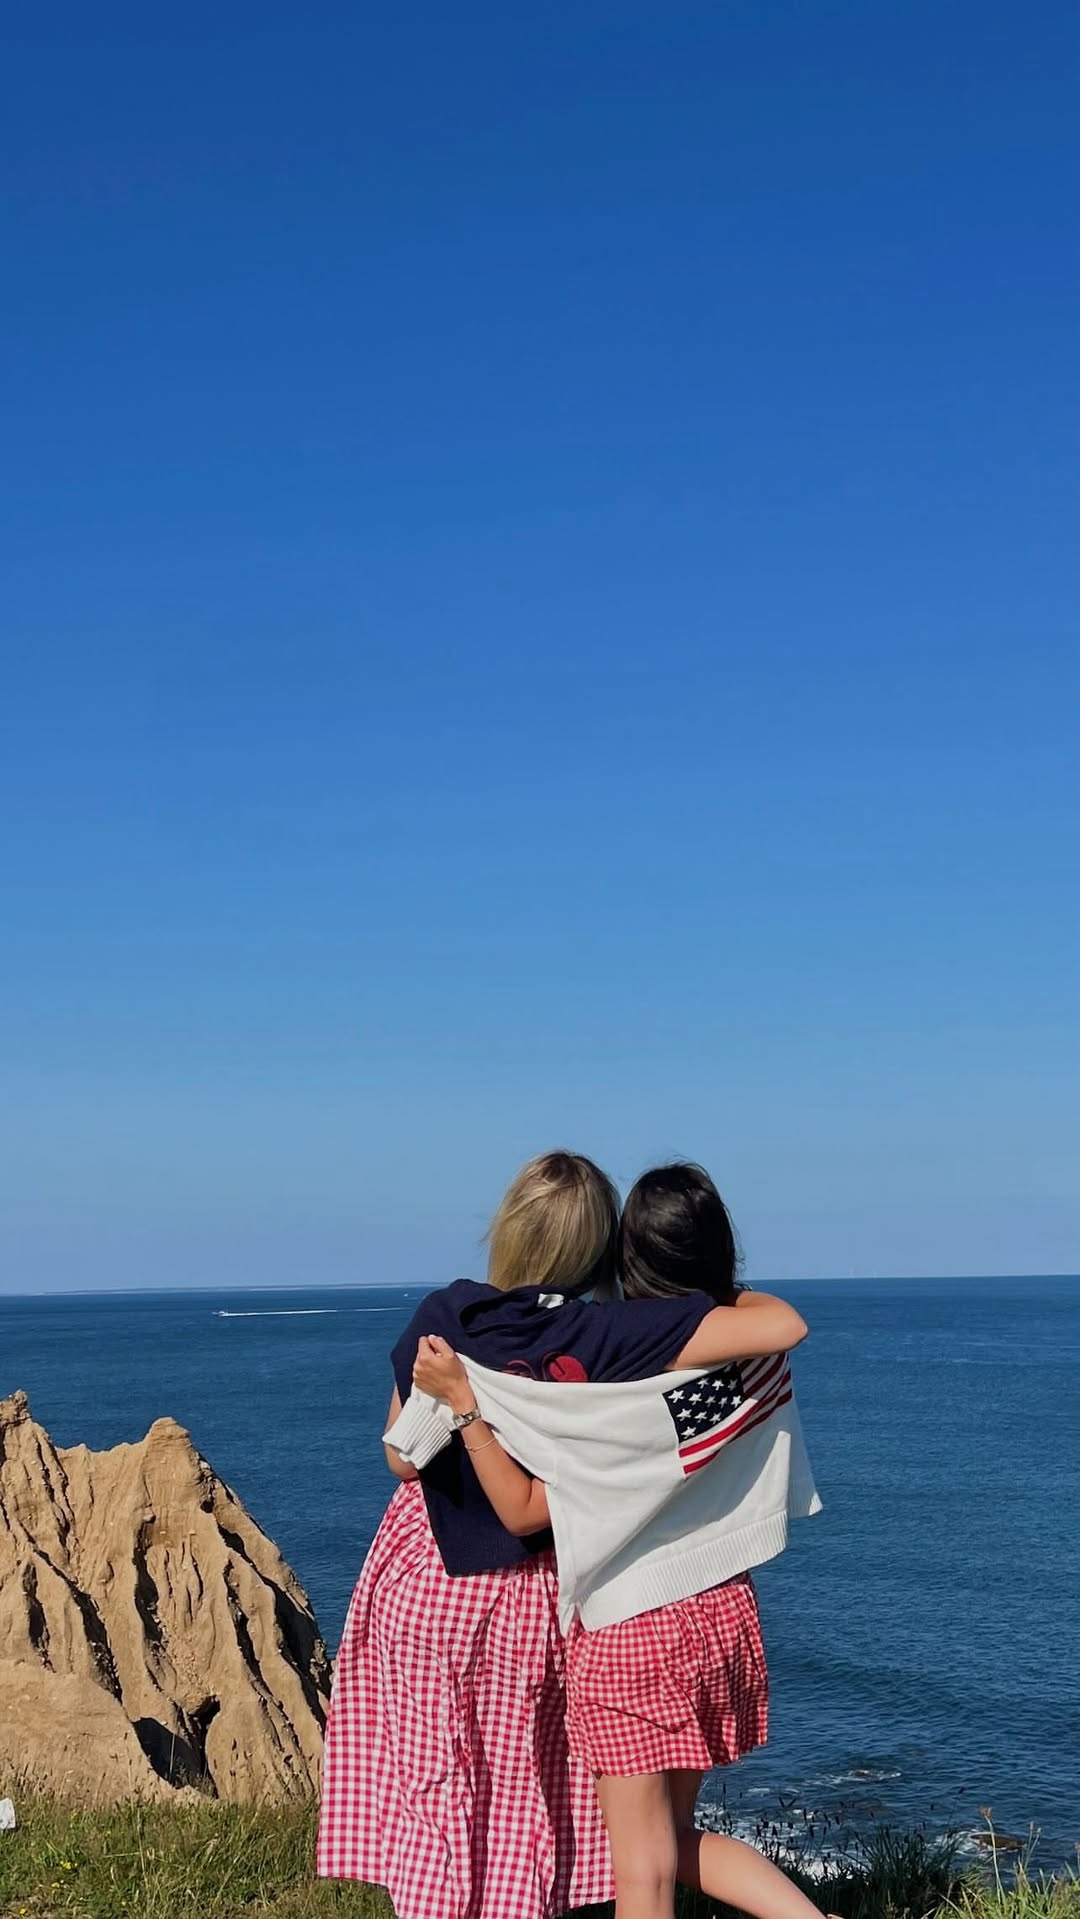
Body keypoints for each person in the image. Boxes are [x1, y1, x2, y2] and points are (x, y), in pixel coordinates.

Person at [317, 1150, 808, 1919]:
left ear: (508, 1225)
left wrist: (465, 1400)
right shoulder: (608, 1337)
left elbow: (403, 1458)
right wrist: (714, 1284)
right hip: (566, 1593)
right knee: (540, 1790)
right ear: (599, 1248)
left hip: (433, 1578)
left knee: (447, 1780)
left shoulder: (447, 1316)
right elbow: (780, 1326)